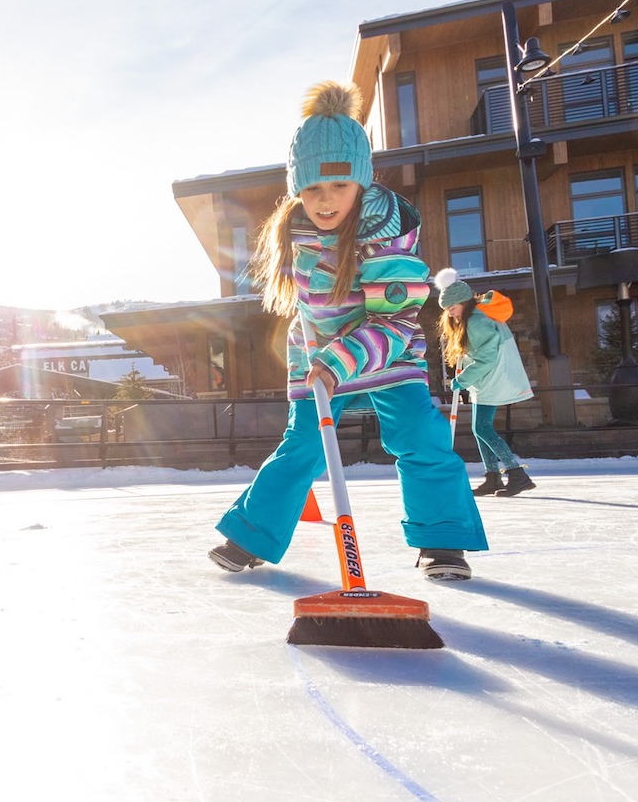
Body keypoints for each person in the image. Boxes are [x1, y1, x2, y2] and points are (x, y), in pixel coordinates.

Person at [208, 80, 487, 581]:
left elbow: (395, 319)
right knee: (302, 446)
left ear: (361, 180)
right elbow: (308, 309)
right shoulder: (294, 231)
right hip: (318, 358)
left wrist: (339, 361)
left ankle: (442, 540)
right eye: (312, 188)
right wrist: (314, 355)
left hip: (387, 353)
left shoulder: (385, 234)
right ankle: (251, 535)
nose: (325, 199)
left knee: (420, 436)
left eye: (339, 185)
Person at [434, 268, 536, 497]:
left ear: (462, 302)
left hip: (492, 378)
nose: (450, 314)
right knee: (479, 428)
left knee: (481, 428)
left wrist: (461, 380)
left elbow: (486, 359)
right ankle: (493, 477)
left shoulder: (476, 321)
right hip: (491, 378)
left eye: (452, 308)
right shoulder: (479, 315)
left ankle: (517, 474)